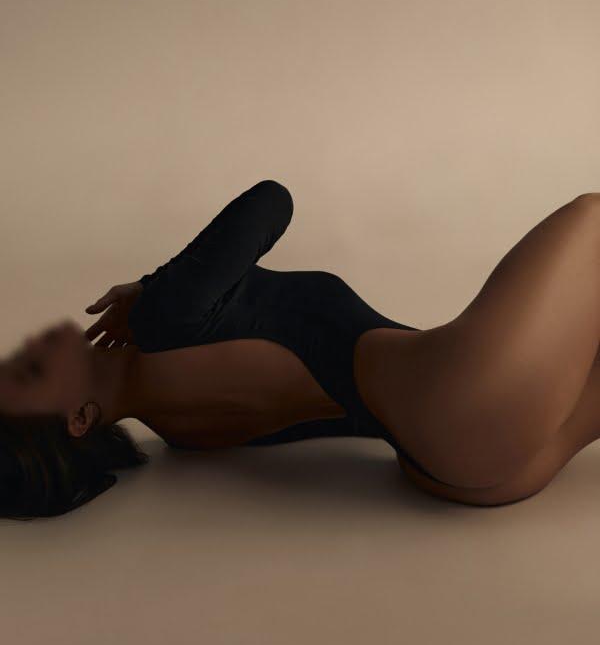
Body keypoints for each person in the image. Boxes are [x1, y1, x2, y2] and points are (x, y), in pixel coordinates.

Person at [1, 181, 599, 519]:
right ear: (78, 419)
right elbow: (272, 201)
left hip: (445, 471)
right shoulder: (162, 318)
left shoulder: (185, 435)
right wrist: (153, 287)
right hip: (460, 401)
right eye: (29, 373)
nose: (30, 346)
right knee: (593, 217)